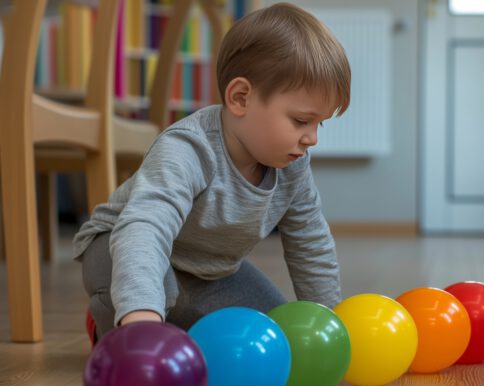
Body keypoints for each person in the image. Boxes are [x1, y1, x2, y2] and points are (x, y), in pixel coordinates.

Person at [73, 3, 350, 343]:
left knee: (275, 335)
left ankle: (168, 316)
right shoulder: (188, 149)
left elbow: (310, 239)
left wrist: (329, 321)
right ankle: (113, 321)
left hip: (211, 271)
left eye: (318, 123)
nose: (312, 138)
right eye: (301, 121)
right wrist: (141, 316)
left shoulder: (293, 164)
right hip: (123, 245)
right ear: (240, 98)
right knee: (151, 301)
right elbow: (144, 227)